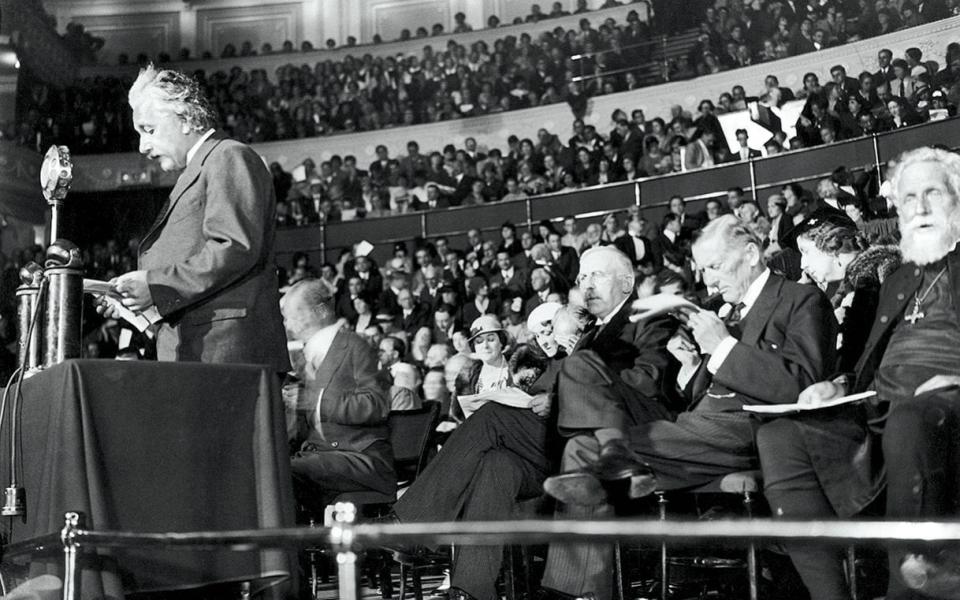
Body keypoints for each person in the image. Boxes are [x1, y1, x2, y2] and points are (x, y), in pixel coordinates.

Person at [542, 216, 838, 600]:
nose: (710, 280)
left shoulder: (801, 300)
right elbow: (699, 390)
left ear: (751, 254)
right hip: (696, 426)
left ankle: (579, 592)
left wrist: (723, 347)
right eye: (704, 270)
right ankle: (583, 587)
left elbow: (802, 384)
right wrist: (690, 365)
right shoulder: (721, 309)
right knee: (580, 411)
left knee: (584, 450)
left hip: (750, 430)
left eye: (715, 266)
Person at [796, 147, 960, 599]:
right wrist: (840, 383)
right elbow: (871, 357)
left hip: (939, 409)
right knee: (782, 434)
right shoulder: (898, 278)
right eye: (909, 199)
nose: (920, 207)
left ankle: (909, 581)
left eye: (932, 193)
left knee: (911, 419)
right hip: (876, 406)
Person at [105, 65, 288, 371]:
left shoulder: (228, 156)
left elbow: (234, 248)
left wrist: (156, 285)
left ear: (187, 119)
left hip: (227, 353)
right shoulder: (201, 168)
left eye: (149, 130)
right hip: (204, 351)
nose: (142, 146)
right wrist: (139, 306)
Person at [755, 216, 899, 599]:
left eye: (807, 253)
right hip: (851, 406)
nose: (803, 266)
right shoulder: (840, 294)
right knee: (775, 436)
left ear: (835, 249)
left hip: (877, 414)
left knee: (779, 439)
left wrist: (840, 382)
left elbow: (873, 362)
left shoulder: (872, 287)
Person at [384, 307, 565, 600]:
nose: (545, 337)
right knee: (495, 465)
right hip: (520, 454)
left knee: (491, 415)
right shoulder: (514, 366)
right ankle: (471, 589)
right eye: (540, 332)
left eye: (551, 329)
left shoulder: (567, 357)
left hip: (559, 449)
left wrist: (554, 400)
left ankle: (411, 525)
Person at [281, 279, 395, 515]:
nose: (289, 323)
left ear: (320, 310)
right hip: (316, 454)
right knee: (268, 468)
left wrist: (316, 401)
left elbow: (377, 404)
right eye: (287, 316)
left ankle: (290, 549)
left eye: (295, 314)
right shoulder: (301, 356)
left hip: (360, 457)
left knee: (281, 472)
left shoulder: (355, 345)